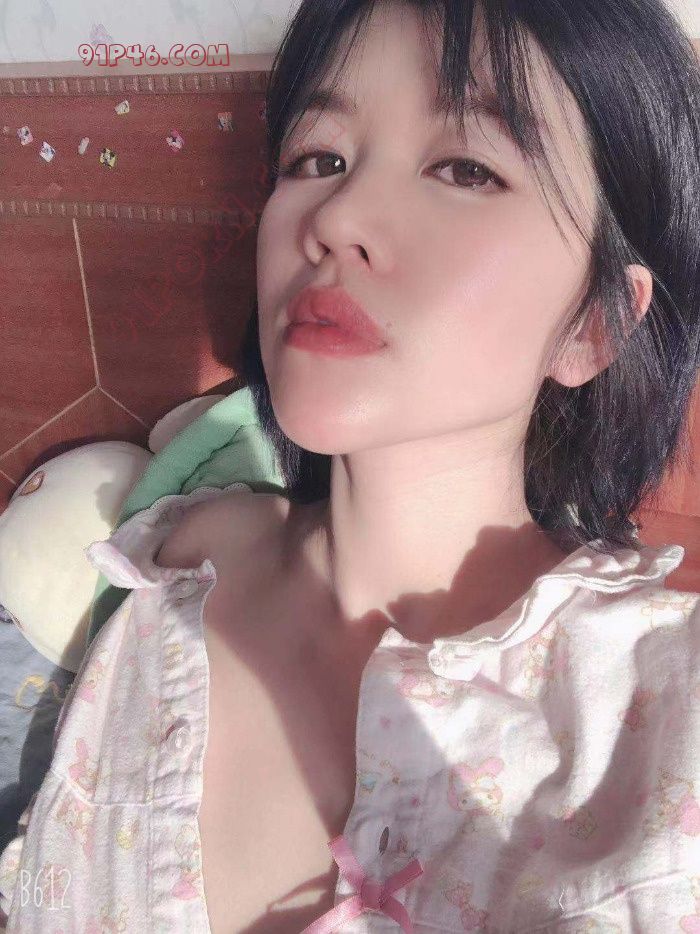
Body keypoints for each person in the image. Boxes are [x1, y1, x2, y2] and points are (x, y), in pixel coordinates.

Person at [2, 0, 700, 931]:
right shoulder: (177, 556)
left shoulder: (658, 709)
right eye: (317, 158)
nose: (335, 217)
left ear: (595, 324)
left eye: (466, 168)